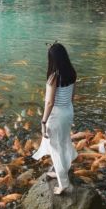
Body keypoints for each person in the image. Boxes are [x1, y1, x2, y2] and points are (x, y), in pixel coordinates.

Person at [32, 42, 78, 194]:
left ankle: (63, 183)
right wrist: (68, 111)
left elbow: (50, 102)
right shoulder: (71, 72)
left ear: (52, 59)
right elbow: (72, 96)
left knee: (56, 149)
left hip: (56, 116)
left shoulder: (53, 77)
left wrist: (44, 121)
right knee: (64, 142)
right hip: (68, 111)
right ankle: (63, 169)